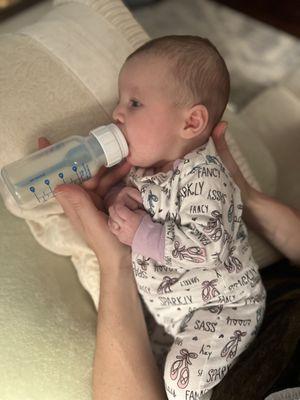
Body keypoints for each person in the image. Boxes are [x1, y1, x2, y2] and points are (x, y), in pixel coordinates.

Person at [89, 35, 265, 399]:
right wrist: (113, 198)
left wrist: (140, 230)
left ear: (192, 122)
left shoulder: (204, 176)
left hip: (224, 305)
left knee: (182, 381)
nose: (117, 114)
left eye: (134, 103)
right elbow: (131, 213)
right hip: (172, 310)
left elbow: (206, 247)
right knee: (143, 371)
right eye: (121, 101)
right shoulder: (144, 173)